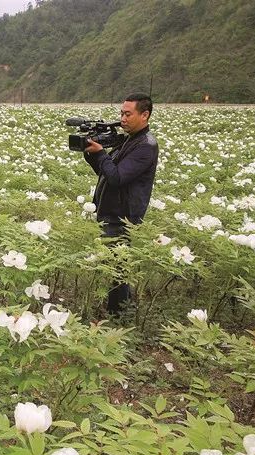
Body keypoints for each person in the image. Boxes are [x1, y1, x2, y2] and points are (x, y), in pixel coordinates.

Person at [83, 93, 159, 315]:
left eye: (128, 114)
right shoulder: (129, 139)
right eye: (121, 113)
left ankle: (119, 315)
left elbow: (117, 178)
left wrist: (102, 154)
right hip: (112, 211)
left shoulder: (146, 145)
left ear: (144, 115)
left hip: (123, 215)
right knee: (115, 265)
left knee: (119, 268)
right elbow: (106, 173)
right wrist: (93, 156)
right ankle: (118, 311)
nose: (122, 118)